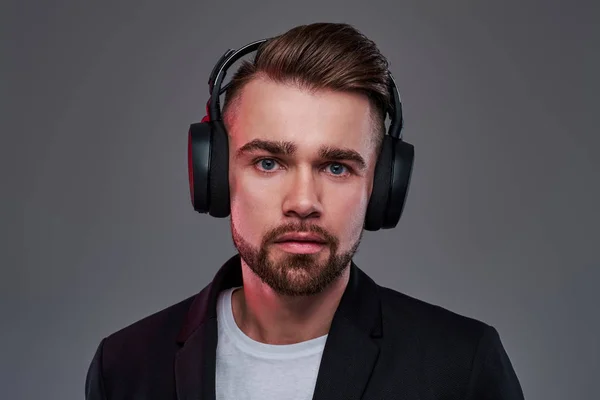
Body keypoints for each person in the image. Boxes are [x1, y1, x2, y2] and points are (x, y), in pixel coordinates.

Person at [85, 22, 525, 400]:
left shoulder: (461, 365)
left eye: (337, 167)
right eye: (269, 163)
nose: (302, 202)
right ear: (215, 176)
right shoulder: (125, 366)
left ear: (382, 186)